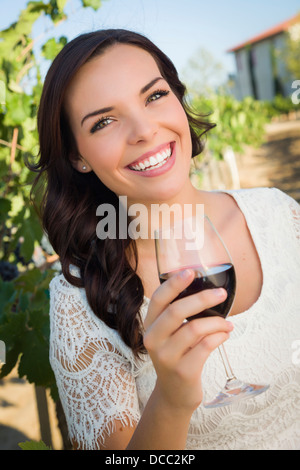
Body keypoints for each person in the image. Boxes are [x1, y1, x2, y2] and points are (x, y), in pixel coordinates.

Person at [31, 29, 300, 450]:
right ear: (76, 156)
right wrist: (171, 401)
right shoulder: (77, 299)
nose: (144, 130)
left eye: (154, 96)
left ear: (177, 98)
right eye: (104, 121)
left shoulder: (279, 213)